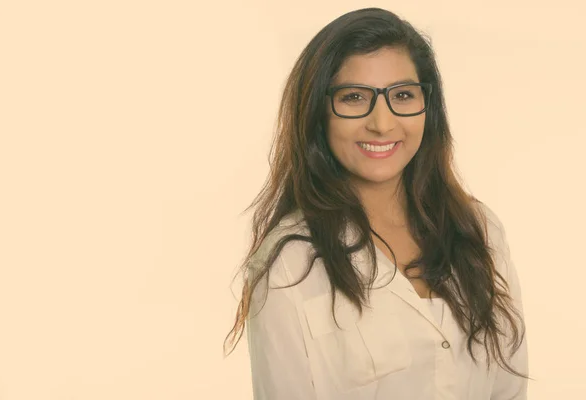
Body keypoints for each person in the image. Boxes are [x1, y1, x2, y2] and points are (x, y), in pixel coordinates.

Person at [224, 7, 530, 400]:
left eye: (402, 95)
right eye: (354, 97)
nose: (382, 123)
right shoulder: (289, 263)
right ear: (319, 113)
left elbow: (510, 390)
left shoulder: (478, 229)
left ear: (428, 107)